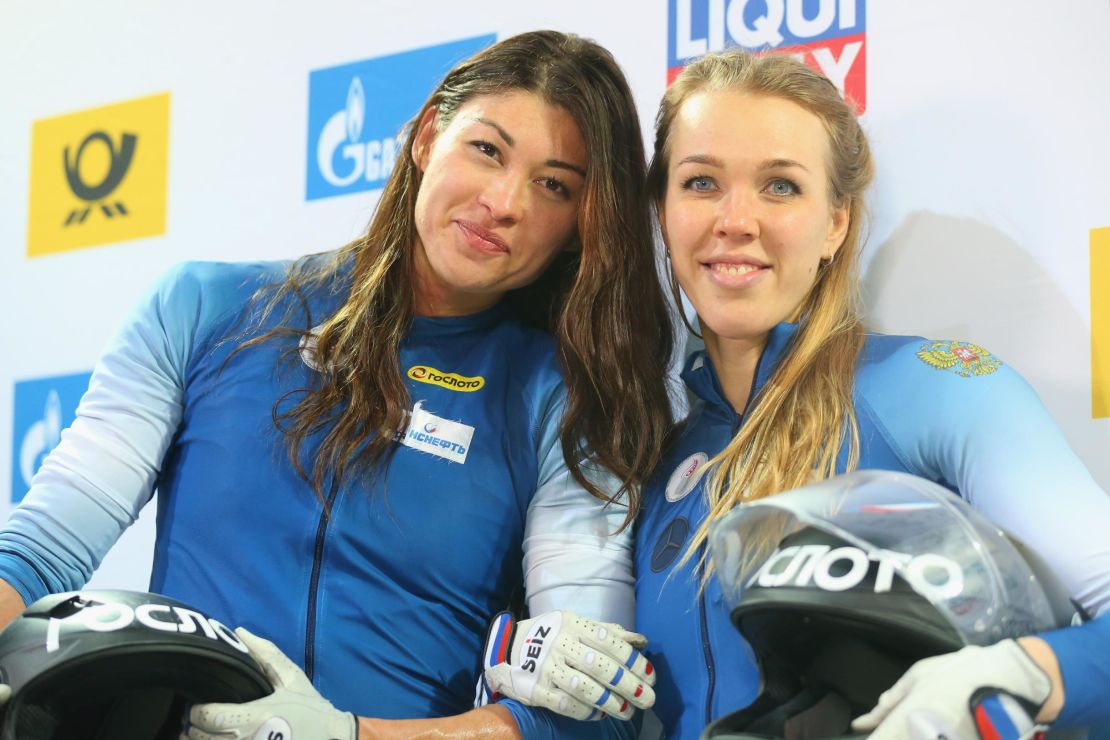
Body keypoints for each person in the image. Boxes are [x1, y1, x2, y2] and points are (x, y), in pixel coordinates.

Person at [0, 31, 673, 740]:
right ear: (425, 139)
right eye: (487, 150)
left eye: (554, 185)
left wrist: (349, 736)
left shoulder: (564, 401)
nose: (505, 201)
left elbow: (591, 709)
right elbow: (42, 549)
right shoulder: (204, 308)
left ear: (579, 225)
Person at [634, 48, 1110, 739]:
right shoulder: (646, 448)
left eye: (781, 187)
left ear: (837, 224)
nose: (735, 220)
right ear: (664, 211)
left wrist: (1021, 674)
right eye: (702, 183)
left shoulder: (935, 388)